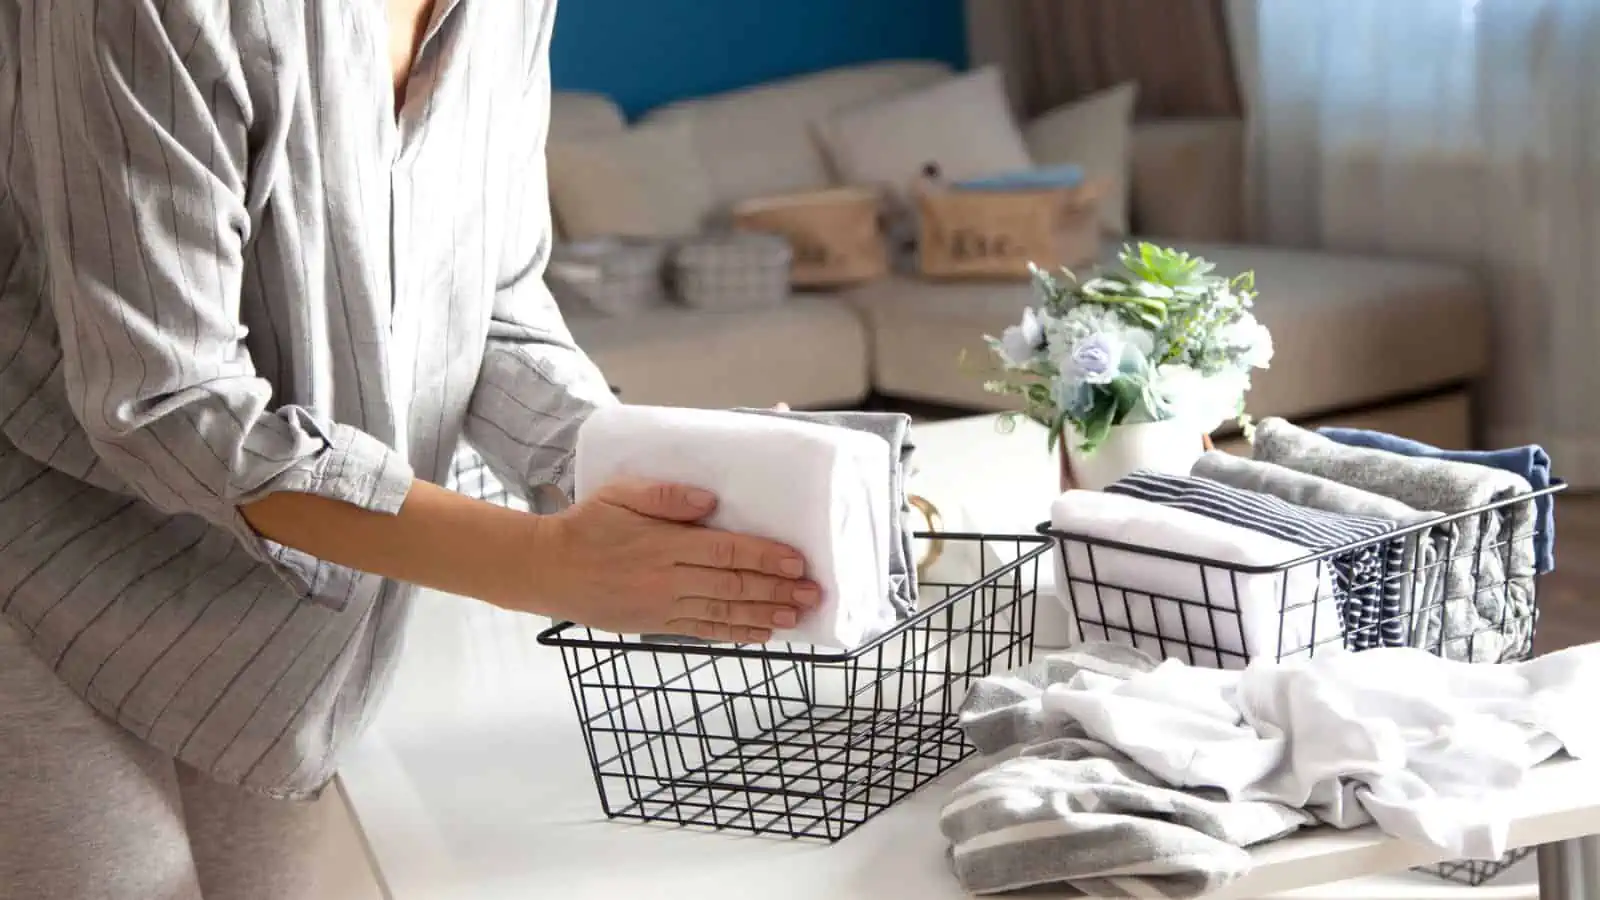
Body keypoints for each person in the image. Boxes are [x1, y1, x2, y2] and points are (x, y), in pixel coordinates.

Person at [0, 2, 817, 897]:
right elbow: (166, 397)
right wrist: (542, 564)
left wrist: (642, 470)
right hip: (51, 570)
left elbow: (491, 298)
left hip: (284, 623)